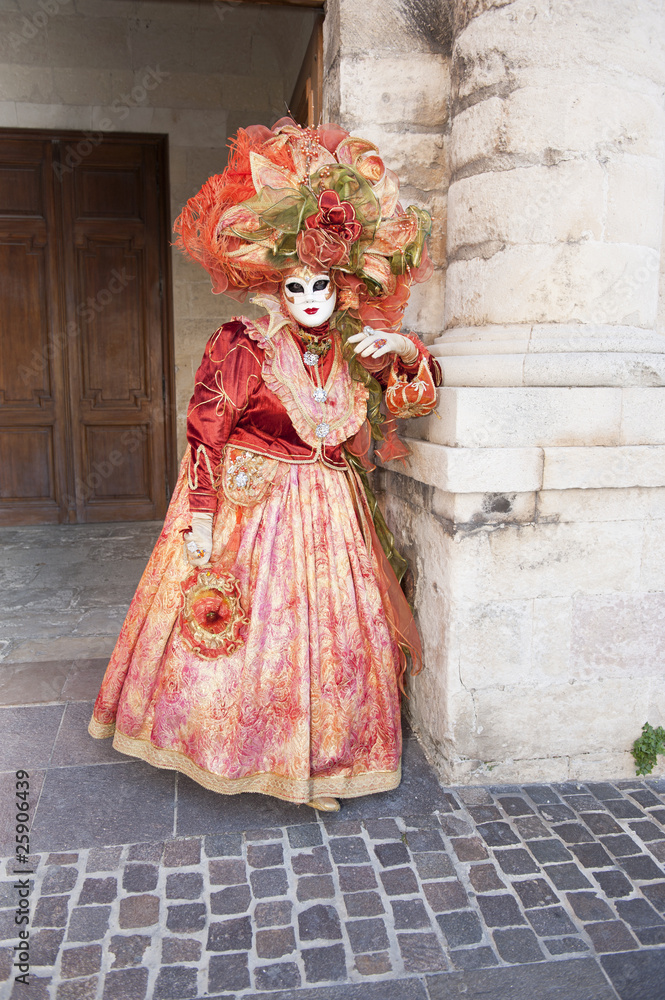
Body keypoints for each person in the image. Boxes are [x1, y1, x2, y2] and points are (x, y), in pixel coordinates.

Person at [88, 118, 442, 812]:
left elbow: (402, 405)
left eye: (322, 289)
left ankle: (325, 764)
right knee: (244, 635)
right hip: (255, 513)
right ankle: (245, 754)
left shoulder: (352, 348)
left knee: (334, 641)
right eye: (295, 289)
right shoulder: (242, 345)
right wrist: (200, 514)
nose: (310, 302)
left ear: (341, 288)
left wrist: (402, 352)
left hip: (333, 518)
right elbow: (206, 432)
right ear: (274, 288)